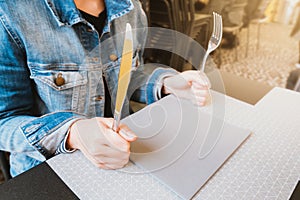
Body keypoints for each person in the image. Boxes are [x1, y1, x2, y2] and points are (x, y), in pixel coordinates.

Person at [0, 0, 210, 177]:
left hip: (125, 157)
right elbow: (5, 120)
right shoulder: (11, 13)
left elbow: (128, 75)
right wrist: (74, 133)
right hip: (49, 173)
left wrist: (166, 84)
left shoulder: (129, 6)